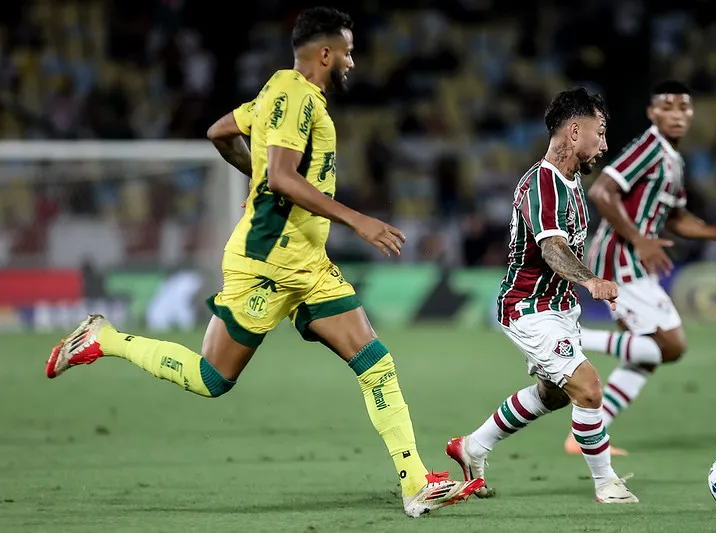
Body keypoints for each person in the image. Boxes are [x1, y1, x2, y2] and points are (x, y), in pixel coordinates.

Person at [45, 7, 483, 518]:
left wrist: (258, 179)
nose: (353, 62)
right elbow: (280, 176)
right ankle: (107, 339)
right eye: (347, 52)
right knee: (212, 378)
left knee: (374, 362)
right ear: (325, 54)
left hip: (309, 263)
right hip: (268, 265)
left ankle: (415, 483)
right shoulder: (294, 96)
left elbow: (220, 132)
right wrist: (356, 220)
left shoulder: (278, 93)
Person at [446, 88, 638, 503]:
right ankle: (606, 483)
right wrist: (590, 281)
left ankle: (473, 446)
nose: (604, 145)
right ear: (573, 132)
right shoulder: (541, 183)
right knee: (587, 387)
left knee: (553, 394)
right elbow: (552, 248)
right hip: (527, 308)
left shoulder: (569, 184)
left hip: (558, 309)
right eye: (599, 133)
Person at [564, 81, 716, 455]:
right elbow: (602, 191)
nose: (677, 114)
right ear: (653, 114)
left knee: (645, 354)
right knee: (670, 344)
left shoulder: (673, 159)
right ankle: (572, 339)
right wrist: (639, 239)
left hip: (637, 260)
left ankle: (584, 437)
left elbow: (677, 217)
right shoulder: (649, 148)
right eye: (667, 107)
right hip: (622, 259)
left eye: (684, 108)